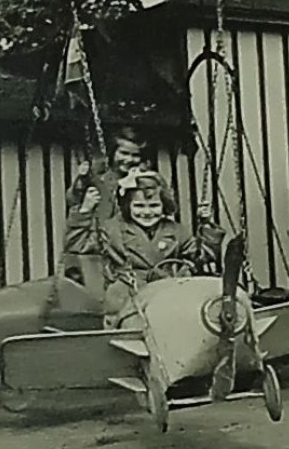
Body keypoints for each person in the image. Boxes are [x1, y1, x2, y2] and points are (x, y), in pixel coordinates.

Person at [100, 170, 224, 326]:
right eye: (139, 206)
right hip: (128, 299)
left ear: (164, 205)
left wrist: (206, 226)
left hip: (169, 296)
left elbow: (201, 256)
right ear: (127, 206)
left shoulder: (175, 231)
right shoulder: (113, 230)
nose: (147, 212)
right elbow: (85, 248)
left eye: (154, 206)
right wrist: (84, 211)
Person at [62, 128, 154, 262]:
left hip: (131, 242)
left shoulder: (144, 179)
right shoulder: (97, 177)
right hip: (102, 239)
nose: (129, 159)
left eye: (135, 155)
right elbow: (74, 199)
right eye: (123, 153)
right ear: (113, 152)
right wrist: (81, 181)